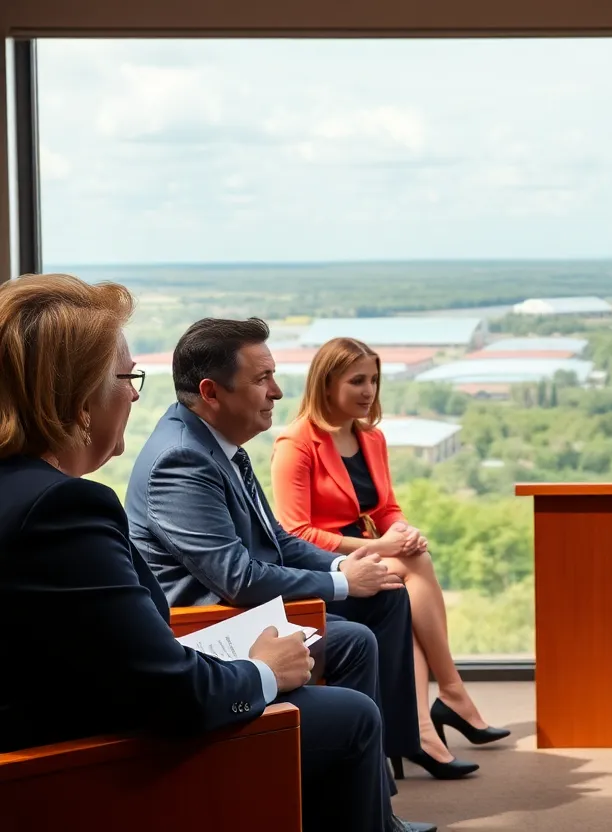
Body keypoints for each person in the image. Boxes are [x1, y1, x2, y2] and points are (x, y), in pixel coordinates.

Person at [0, 274, 434, 832]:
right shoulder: (64, 509)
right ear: (79, 399)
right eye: (126, 378)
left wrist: (340, 569)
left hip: (84, 709)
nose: (134, 395)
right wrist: (262, 672)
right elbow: (171, 688)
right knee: (350, 714)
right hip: (79, 762)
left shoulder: (32, 495)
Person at [124, 318, 472, 781]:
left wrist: (344, 563)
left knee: (386, 592)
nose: (276, 392)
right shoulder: (182, 458)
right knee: (354, 638)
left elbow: (278, 541)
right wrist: (343, 582)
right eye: (262, 378)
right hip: (212, 623)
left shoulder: (220, 444)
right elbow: (239, 577)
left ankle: (390, 762)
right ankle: (365, 783)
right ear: (211, 392)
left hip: (240, 607)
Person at [271, 337, 508, 770]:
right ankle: (450, 693)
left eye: (374, 380)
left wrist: (404, 531)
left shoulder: (371, 438)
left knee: (406, 584)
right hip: (325, 563)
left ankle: (421, 728)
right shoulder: (296, 444)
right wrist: (380, 546)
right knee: (413, 568)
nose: (369, 391)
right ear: (326, 385)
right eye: (357, 380)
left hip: (374, 553)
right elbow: (295, 532)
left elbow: (384, 507)